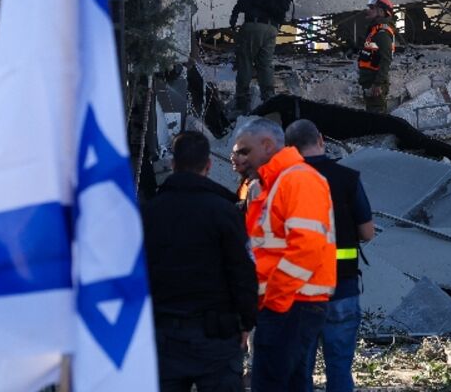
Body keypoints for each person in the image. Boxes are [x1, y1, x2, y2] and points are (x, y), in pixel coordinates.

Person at [143, 130, 257, 392]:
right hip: (217, 336)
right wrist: (246, 322)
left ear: (173, 165)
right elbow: (242, 271)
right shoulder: (224, 211)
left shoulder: (149, 213)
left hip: (163, 335)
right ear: (208, 165)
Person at [233, 118, 336, 392]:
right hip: (289, 304)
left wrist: (274, 302)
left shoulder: (297, 179)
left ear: (267, 146)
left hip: (290, 304)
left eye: (245, 151)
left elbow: (306, 249)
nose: (238, 159)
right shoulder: (276, 184)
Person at [285, 120, 375, 392]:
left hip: (300, 291)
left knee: (300, 369)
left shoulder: (283, 182)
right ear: (321, 139)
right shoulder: (347, 178)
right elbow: (368, 233)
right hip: (342, 285)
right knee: (339, 367)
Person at [229, 0, 294, 115]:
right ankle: (269, 99)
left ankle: (242, 103)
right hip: (272, 29)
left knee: (245, 62)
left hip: (254, 24)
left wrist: (235, 14)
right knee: (265, 65)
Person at [357, 0, 396, 113]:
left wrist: (378, 84)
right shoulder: (375, 30)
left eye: (371, 7)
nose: (368, 10)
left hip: (374, 83)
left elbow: (386, 59)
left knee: (377, 114)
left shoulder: (382, 32)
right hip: (369, 81)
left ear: (381, 12)